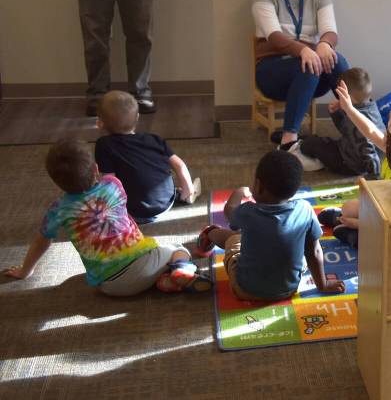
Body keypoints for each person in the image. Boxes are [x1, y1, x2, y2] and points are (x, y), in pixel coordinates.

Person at [3, 139, 210, 295]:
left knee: (148, 262)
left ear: (56, 181)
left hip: (108, 286)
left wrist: (25, 271)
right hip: (142, 265)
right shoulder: (113, 184)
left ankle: (164, 281)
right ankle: (181, 271)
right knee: (177, 249)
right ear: (95, 169)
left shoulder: (58, 210)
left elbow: (42, 241)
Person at [194, 151, 344, 301]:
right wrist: (323, 285)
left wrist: (239, 192)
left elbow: (229, 212)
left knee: (234, 239)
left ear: (258, 186)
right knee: (302, 252)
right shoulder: (305, 209)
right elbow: (315, 252)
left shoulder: (248, 212)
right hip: (289, 289)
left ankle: (210, 233)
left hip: (245, 290)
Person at [252, 0, 349, 149]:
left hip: (309, 73)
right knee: (309, 64)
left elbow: (330, 31)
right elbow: (274, 36)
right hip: (272, 71)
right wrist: (304, 50)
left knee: (338, 61)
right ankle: (289, 140)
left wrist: (324, 44)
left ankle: (356, 127)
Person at [315, 105, 391, 248]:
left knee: (354, 214)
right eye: (388, 129)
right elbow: (370, 131)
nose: (386, 134)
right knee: (348, 208)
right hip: (383, 205)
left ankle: (361, 230)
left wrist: (362, 219)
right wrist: (349, 109)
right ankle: (349, 222)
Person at [94, 91, 200, 224]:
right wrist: (187, 187)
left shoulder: (104, 145)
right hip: (165, 204)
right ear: (137, 117)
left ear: (100, 123)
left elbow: (110, 182)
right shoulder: (154, 139)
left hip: (131, 213)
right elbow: (179, 165)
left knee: (95, 194)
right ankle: (183, 194)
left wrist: (106, 210)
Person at [291, 67, 384, 176]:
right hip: (349, 150)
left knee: (312, 144)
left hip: (348, 164)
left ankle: (300, 147)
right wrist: (336, 113)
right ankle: (302, 140)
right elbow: (346, 131)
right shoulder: (371, 106)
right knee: (317, 139)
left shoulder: (357, 124)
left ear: (346, 97)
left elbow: (369, 154)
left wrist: (373, 179)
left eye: (339, 92)